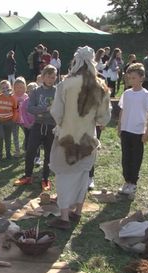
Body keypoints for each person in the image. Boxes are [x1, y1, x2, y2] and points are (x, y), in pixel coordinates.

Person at [47, 46, 111, 229]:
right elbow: (103, 118)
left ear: (76, 61)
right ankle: (77, 212)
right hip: (87, 140)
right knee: (83, 176)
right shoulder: (101, 86)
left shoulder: (65, 84)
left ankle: (65, 218)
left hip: (66, 139)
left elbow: (57, 113)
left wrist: (64, 122)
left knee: (64, 177)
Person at [14, 65, 57, 191]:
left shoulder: (57, 92)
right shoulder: (36, 92)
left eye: (53, 77)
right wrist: (45, 109)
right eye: (48, 77)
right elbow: (30, 108)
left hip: (51, 126)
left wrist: (42, 111)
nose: (50, 79)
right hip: (37, 125)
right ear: (43, 77)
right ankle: (27, 176)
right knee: (30, 150)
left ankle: (45, 178)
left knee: (49, 154)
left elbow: (59, 109)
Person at [117, 63, 148, 195]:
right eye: (129, 78)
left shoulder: (145, 94)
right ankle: (126, 181)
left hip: (138, 132)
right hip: (126, 130)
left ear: (141, 78)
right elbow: (122, 110)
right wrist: (119, 125)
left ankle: (133, 182)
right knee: (125, 157)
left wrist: (147, 132)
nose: (131, 80)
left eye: (134, 78)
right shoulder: (126, 93)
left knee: (136, 157)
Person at [0, 80, 19, 160]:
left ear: (11, 88)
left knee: (8, 137)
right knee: (0, 137)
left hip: (9, 121)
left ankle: (8, 154)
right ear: (0, 90)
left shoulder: (13, 98)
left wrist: (13, 120)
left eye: (7, 87)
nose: (5, 89)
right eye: (3, 88)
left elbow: (15, 110)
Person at [15, 77, 34, 153]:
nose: (19, 89)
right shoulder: (13, 96)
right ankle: (17, 150)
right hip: (15, 120)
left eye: (21, 87)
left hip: (24, 121)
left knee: (27, 135)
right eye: (17, 87)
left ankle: (25, 147)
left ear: (25, 88)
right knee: (15, 135)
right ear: (14, 88)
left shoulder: (27, 96)